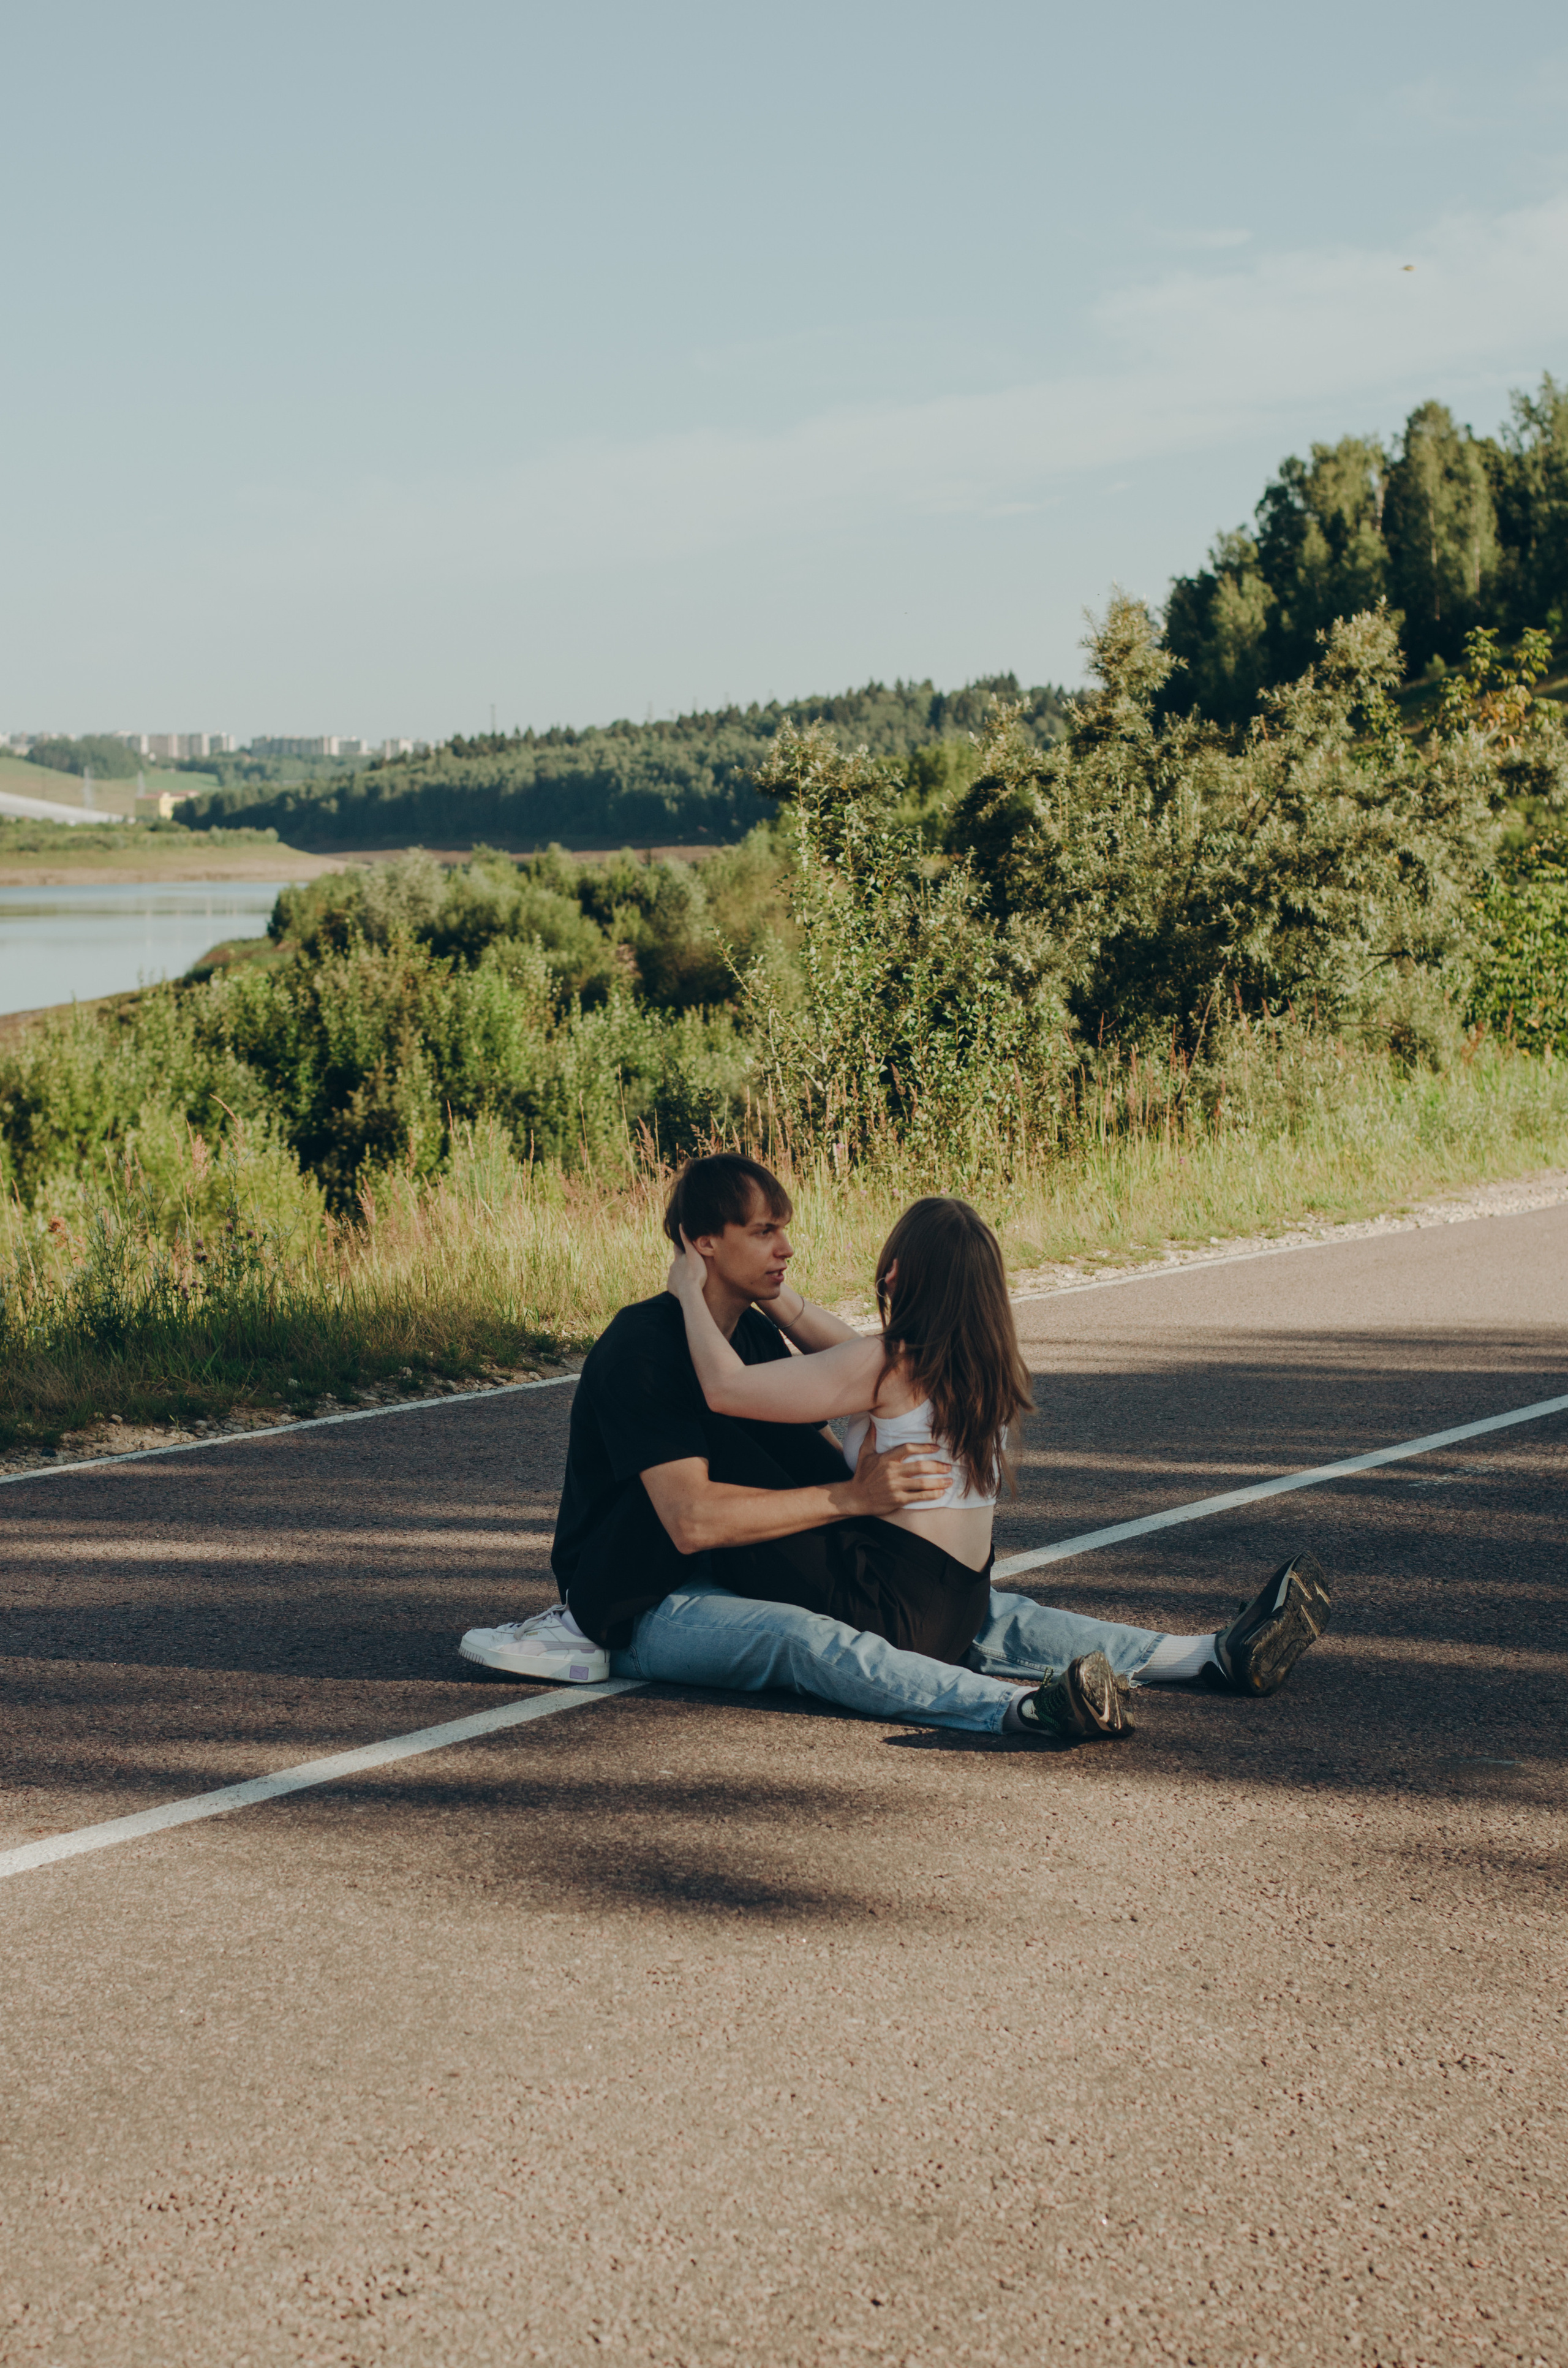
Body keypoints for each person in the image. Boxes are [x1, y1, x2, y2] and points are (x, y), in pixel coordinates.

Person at [459, 1155, 1332, 1742]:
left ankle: (1204, 1654)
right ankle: (1027, 1708)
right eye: (765, 1232)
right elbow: (691, 1517)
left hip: (784, 1567)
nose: (786, 1247)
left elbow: (828, 1376)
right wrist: (850, 1498)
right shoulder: (646, 1346)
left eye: (783, 1228)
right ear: (703, 1245)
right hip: (647, 1596)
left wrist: (776, 1313)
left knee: (987, 1615)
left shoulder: (775, 1348)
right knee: (811, 1638)